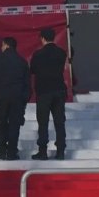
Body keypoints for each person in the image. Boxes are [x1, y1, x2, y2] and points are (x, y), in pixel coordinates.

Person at [30, 28, 68, 161]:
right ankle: (61, 151)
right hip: (59, 89)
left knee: (43, 123)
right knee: (59, 122)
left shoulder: (38, 54)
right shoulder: (61, 53)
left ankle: (43, 152)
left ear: (42, 39)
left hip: (44, 91)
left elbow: (32, 70)